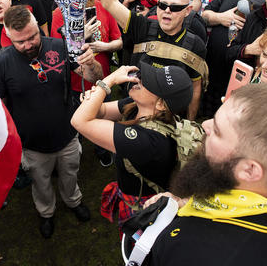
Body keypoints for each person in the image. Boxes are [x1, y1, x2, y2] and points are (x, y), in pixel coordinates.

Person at [146, 83, 267, 265]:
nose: (205, 125)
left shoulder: (199, 254)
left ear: (250, 170)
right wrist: (182, 204)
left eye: (217, 131)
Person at [0, 5, 103, 239]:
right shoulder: (0, 64)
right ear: (7, 34)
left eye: (32, 36)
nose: (29, 45)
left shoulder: (60, 46)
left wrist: (91, 63)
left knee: (70, 173)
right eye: (20, 42)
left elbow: (95, 77)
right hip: (32, 145)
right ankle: (46, 213)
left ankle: (73, 201)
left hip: (67, 135)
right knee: (40, 183)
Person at [86, 0, 208, 120]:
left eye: (175, 8)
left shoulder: (195, 44)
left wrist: (189, 126)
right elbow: (110, 2)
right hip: (133, 110)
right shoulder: (142, 26)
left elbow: (195, 89)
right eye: (162, 5)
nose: (167, 11)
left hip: (170, 120)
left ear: (187, 11)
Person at [71, 63, 195, 224]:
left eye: (149, 83)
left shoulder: (148, 143)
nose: (139, 80)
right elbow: (101, 111)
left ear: (161, 104)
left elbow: (80, 121)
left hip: (142, 205)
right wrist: (92, 100)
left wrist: (108, 81)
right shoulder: (139, 106)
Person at [50, 0, 122, 168]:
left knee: (103, 120)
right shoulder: (59, 14)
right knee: (77, 122)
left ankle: (103, 150)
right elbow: (57, 51)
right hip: (74, 83)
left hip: (102, 80)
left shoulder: (104, 8)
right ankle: (77, 152)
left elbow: (119, 41)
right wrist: (80, 37)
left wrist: (105, 46)